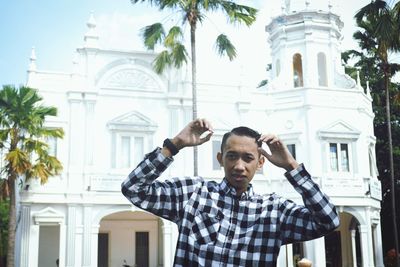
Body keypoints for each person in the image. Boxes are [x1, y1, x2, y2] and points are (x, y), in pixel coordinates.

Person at [121, 118, 340, 266]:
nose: (238, 165)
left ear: (261, 162)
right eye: (232, 156)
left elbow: (328, 221)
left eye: (248, 158)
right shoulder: (193, 194)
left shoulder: (275, 211)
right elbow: (134, 189)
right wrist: (175, 144)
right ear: (220, 159)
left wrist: (291, 166)